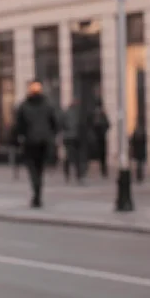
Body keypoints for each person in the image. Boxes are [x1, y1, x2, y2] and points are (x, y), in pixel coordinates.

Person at [15, 79, 59, 207]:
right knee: (39, 169)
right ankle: (37, 193)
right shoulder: (47, 104)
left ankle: (36, 193)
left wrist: (19, 138)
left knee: (34, 169)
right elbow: (54, 123)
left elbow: (19, 126)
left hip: (31, 142)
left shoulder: (24, 105)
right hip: (42, 142)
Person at [61, 97, 87, 182]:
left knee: (70, 157)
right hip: (73, 138)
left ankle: (69, 174)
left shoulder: (68, 113)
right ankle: (76, 175)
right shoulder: (76, 114)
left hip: (70, 137)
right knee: (75, 157)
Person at [90, 99, 110, 177]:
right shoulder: (94, 115)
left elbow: (108, 125)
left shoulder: (102, 115)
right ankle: (102, 170)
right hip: (96, 138)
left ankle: (103, 170)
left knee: (102, 155)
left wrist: (103, 131)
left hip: (101, 138)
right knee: (98, 154)